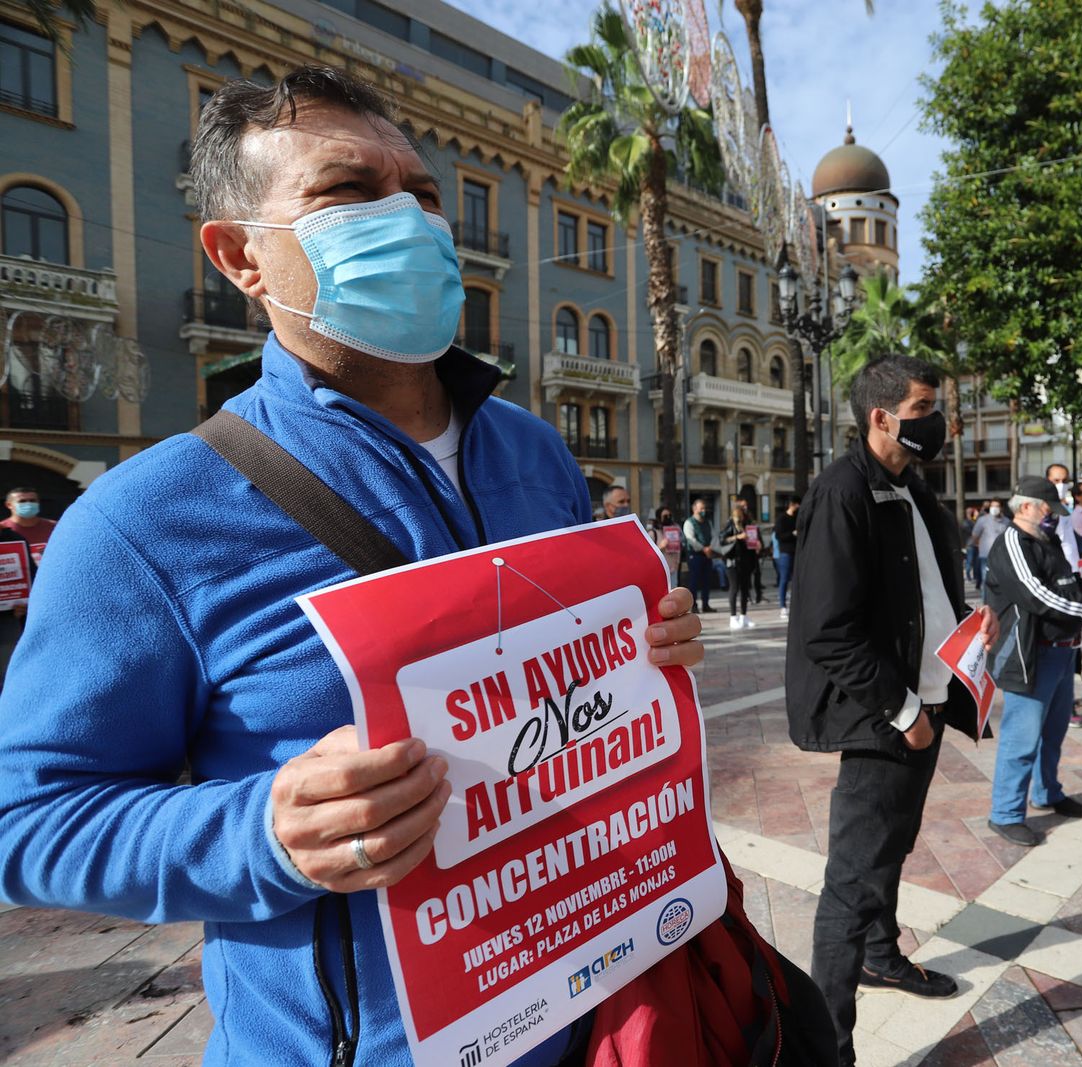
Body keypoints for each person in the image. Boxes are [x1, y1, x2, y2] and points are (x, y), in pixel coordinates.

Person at [0, 67, 710, 1067]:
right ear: (241, 256)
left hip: (589, 1014)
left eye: (420, 193)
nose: (411, 221)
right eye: (345, 192)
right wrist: (262, 831)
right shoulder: (140, 524)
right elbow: (29, 820)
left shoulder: (538, 452)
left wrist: (648, 650)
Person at [785, 354, 996, 1067]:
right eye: (924, 408)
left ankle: (882, 955)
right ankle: (829, 1048)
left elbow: (925, 594)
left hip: (926, 700)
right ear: (882, 416)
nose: (939, 423)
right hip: (885, 714)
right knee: (852, 880)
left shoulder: (914, 490)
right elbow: (826, 629)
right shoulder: (841, 492)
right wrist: (903, 709)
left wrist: (969, 624)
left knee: (890, 850)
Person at [984, 475, 1082, 847]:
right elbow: (1037, 596)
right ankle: (1006, 813)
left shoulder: (1048, 540)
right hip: (1030, 655)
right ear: (1025, 507)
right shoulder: (1012, 542)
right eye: (1048, 510)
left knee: (1053, 733)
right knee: (1021, 739)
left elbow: (1068, 584)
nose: (1054, 517)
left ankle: (1047, 792)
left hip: (1061, 651)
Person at [0, 487, 55, 638]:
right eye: (22, 501)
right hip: (14, 612)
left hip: (48, 598)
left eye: (32, 500)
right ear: (9, 505)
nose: (28, 504)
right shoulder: (5, 533)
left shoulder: (55, 528)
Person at [720, 500, 761, 628]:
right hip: (732, 562)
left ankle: (743, 616)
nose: (744, 512)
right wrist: (737, 537)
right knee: (734, 588)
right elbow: (721, 539)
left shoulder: (749, 525)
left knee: (745, 589)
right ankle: (733, 617)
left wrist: (758, 545)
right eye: (742, 510)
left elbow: (756, 540)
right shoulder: (730, 524)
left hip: (746, 561)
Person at [683, 496, 718, 613]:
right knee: (694, 581)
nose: (703, 511)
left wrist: (710, 548)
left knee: (706, 581)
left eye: (704, 508)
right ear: (694, 509)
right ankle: (693, 605)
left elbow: (714, 536)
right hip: (695, 555)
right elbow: (690, 539)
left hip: (707, 555)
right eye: (701, 508)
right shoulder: (689, 523)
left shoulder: (708, 522)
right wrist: (703, 548)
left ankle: (706, 604)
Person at [970, 498, 1009, 590]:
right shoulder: (982, 520)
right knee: (986, 581)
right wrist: (980, 545)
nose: (994, 508)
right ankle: (986, 602)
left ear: (1002, 508)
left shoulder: (1007, 522)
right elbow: (975, 535)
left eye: (997, 506)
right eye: (992, 506)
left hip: (1001, 557)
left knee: (1001, 582)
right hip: (985, 556)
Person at [774, 496, 800, 620]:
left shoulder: (797, 518)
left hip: (797, 553)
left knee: (797, 580)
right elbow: (779, 535)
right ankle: (783, 607)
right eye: (797, 505)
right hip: (785, 553)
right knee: (784, 579)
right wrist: (793, 534)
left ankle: (796, 606)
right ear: (792, 505)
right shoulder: (782, 518)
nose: (799, 507)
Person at [650, 505, 682, 579]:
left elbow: (678, 549)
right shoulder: (653, 533)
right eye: (665, 516)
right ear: (659, 517)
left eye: (669, 515)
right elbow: (648, 554)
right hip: (659, 570)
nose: (668, 517)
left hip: (673, 569)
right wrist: (660, 546)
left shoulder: (675, 530)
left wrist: (677, 563)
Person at [961, 504, 980, 584]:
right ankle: (968, 576)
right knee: (970, 560)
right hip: (970, 544)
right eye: (970, 512)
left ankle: (975, 576)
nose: (971, 513)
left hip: (977, 544)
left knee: (976, 561)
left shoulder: (975, 520)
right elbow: (972, 532)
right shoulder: (966, 522)